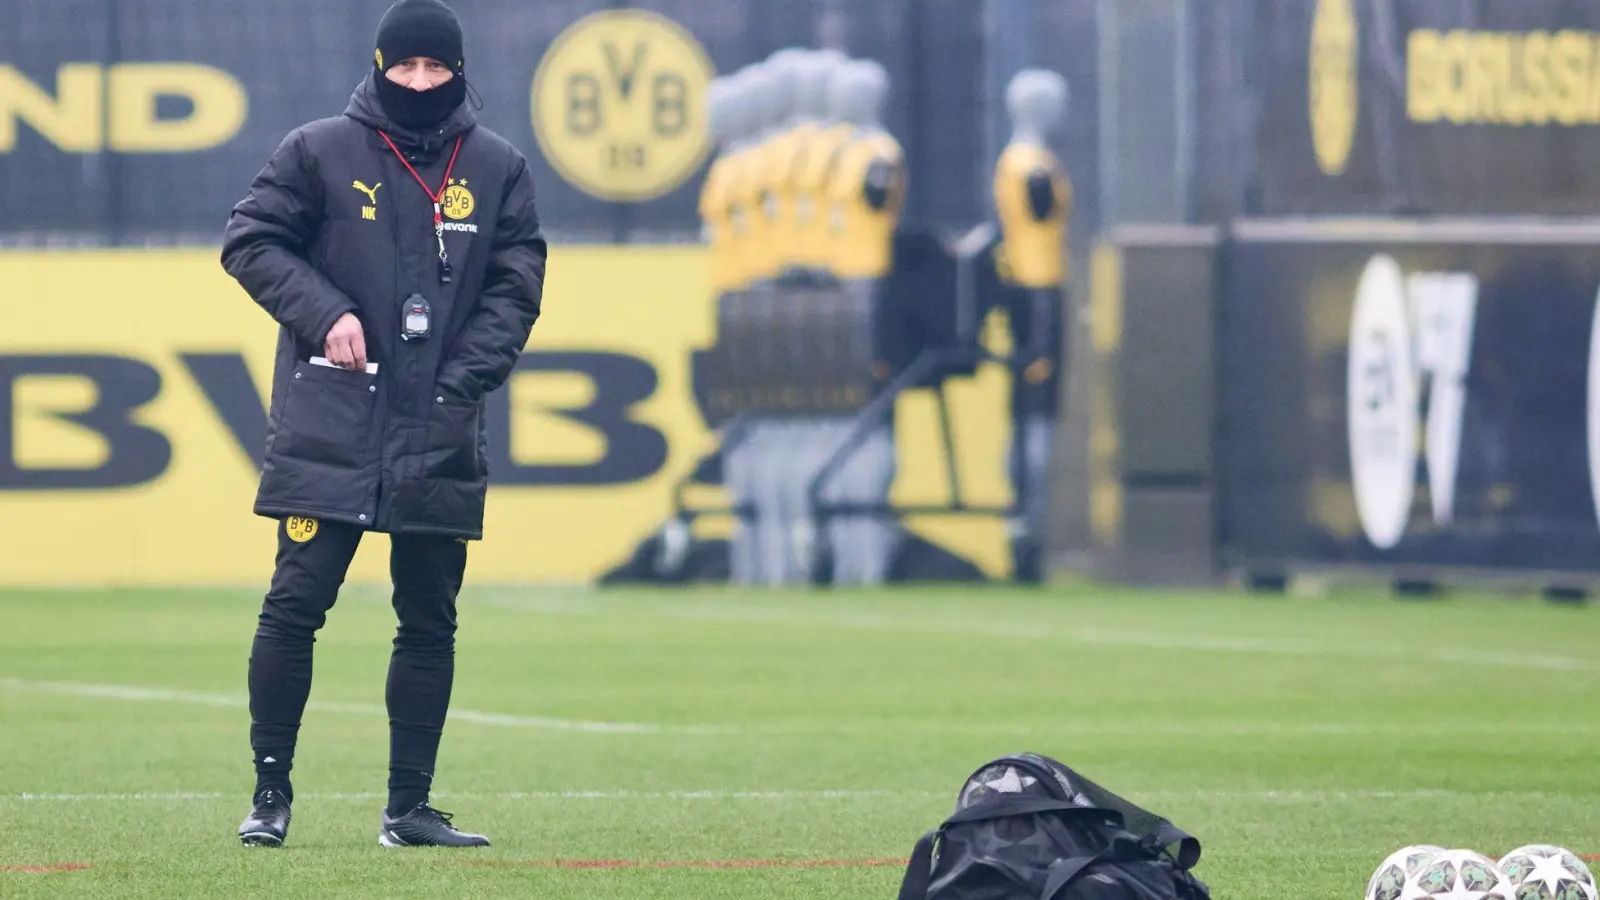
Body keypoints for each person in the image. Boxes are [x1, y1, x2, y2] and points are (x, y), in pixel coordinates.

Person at [219, 0, 546, 849]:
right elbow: (251, 240)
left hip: (440, 429)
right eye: (405, 67)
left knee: (429, 620)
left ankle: (408, 810)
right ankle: (269, 795)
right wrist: (324, 312)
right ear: (378, 66)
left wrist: (458, 384)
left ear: (460, 72)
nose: (420, 82)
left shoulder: (499, 166)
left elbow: (516, 290)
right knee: (295, 606)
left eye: (436, 69)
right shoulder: (318, 149)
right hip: (334, 417)